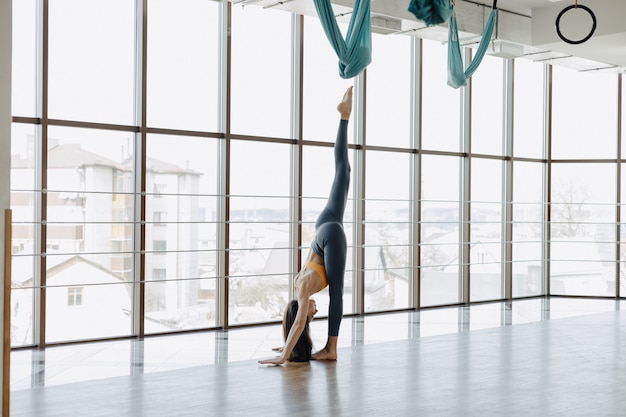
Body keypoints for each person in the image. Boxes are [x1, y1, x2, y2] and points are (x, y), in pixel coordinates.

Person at [259, 86, 352, 365]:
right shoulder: (299, 285)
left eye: (312, 314)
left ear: (300, 309)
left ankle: (331, 348)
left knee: (337, 291)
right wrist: (285, 343)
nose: (314, 311)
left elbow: (298, 324)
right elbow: (295, 325)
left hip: (330, 234)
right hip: (324, 227)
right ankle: (344, 117)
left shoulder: (302, 292)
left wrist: (284, 357)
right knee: (343, 172)